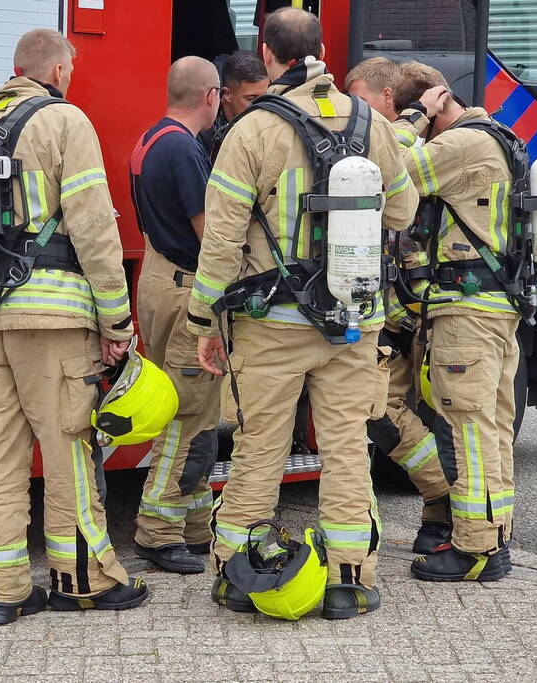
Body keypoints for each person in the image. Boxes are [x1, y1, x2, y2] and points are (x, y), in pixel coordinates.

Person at [187, 7, 417, 618]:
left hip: (272, 323)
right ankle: (349, 580)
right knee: (347, 447)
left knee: (261, 446)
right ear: (320, 49)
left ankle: (239, 575)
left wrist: (202, 320)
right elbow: (402, 211)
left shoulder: (253, 131)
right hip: (352, 317)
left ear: (267, 53)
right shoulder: (371, 122)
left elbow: (222, 239)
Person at [0, 28, 148, 626]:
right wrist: (117, 320)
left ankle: (0, 591)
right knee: (69, 449)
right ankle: (84, 582)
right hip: (55, 325)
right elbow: (95, 225)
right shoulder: (65, 122)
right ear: (58, 71)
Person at [391, 61, 518, 582]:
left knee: (467, 427)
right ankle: (494, 540)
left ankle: (474, 550)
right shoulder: (499, 135)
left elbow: (391, 176)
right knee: (492, 427)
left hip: (468, 310)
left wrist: (412, 117)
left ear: (439, 103)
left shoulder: (462, 144)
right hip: (495, 307)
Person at [345, 57, 453, 555]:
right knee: (384, 411)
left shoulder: (419, 143)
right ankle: (440, 506)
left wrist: (414, 121)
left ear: (389, 100)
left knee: (387, 411)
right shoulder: (395, 134)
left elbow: (394, 171)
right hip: (396, 309)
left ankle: (444, 503)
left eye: (363, 100)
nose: (352, 111)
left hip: (414, 308)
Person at [128, 57, 224, 574]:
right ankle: (158, 531)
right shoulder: (185, 149)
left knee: (199, 413)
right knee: (188, 416)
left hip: (159, 281)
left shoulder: (150, 139)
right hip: (187, 291)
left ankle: (192, 527)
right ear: (210, 96)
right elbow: (209, 234)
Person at [199, 50, 269, 158]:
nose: (261, 105)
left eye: (266, 97)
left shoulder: (271, 126)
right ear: (227, 94)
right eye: (251, 98)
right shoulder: (203, 130)